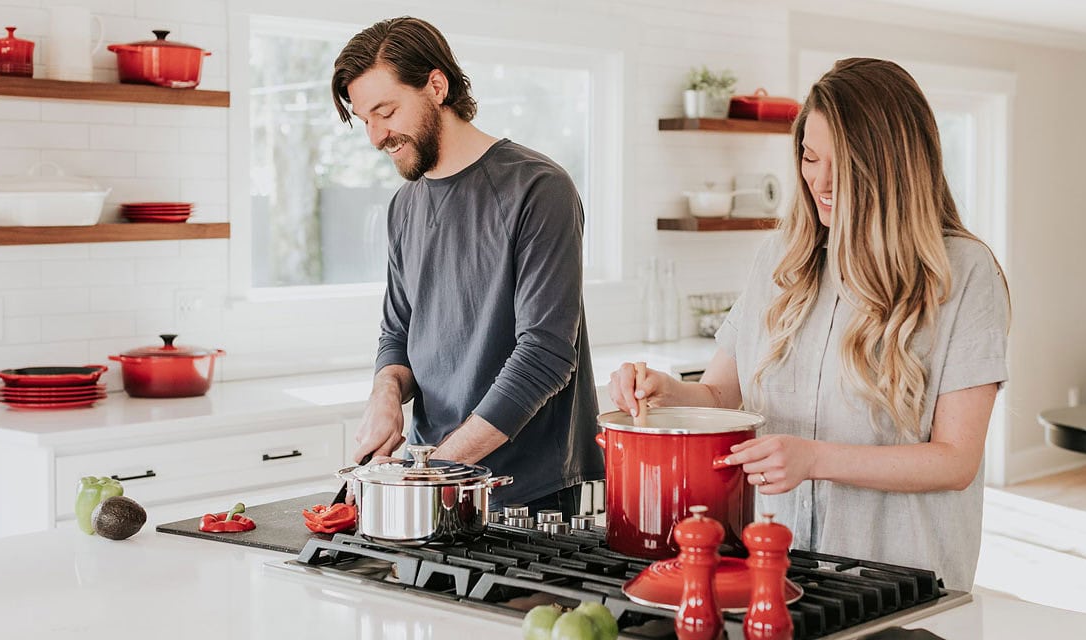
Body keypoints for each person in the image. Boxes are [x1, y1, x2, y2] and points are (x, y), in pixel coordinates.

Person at [609, 58, 1009, 591]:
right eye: (809, 156)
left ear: (894, 165)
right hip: (775, 569)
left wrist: (816, 459)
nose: (819, 180)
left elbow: (955, 460)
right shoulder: (780, 259)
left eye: (841, 162)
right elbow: (722, 394)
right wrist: (667, 393)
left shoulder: (963, 273)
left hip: (897, 580)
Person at [330, 16, 602, 520]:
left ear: (437, 85)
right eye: (363, 119)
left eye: (385, 112)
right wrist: (385, 395)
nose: (374, 137)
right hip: (430, 477)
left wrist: (433, 472)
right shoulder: (404, 205)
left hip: (526, 492)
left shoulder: (538, 188)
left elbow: (545, 355)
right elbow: (398, 333)